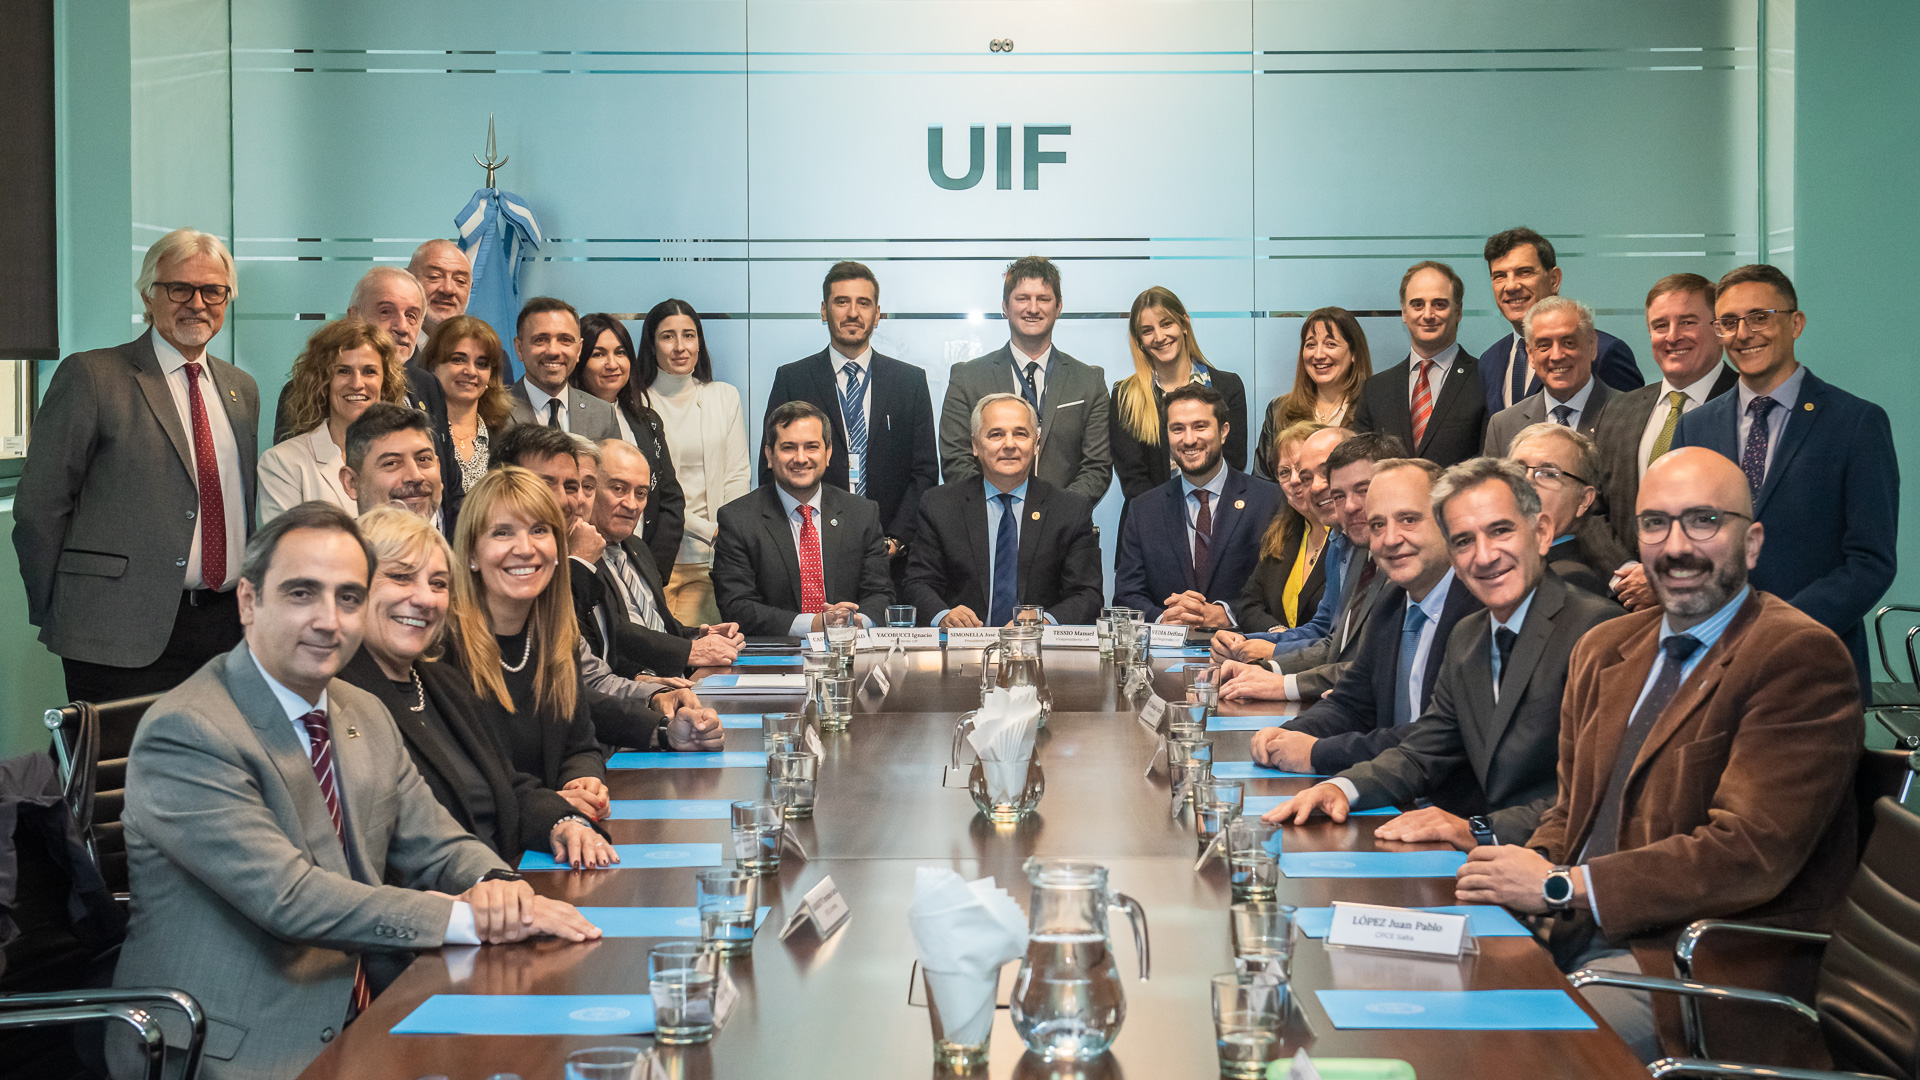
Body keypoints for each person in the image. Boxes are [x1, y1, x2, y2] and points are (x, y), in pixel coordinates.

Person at [110, 502, 599, 1080]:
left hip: (377, 1006)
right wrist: (469, 920)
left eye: (347, 598)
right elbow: (291, 898)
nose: (329, 620)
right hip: (240, 1046)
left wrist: (499, 887)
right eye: (301, 594)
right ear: (248, 601)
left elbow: (437, 842)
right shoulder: (189, 731)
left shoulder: (359, 708)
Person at [1458, 448, 1863, 1063]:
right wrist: (1525, 871)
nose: (1676, 546)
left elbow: (1747, 853)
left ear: (1751, 544)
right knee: (1415, 992)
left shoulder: (1797, 656)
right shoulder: (1606, 649)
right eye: (1655, 523)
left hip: (1701, 968)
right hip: (1576, 934)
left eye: (1703, 521)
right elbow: (1573, 812)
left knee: (1511, 1054)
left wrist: (1563, 887)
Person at [1264, 457, 1622, 847]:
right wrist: (1344, 789)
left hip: (1559, 872)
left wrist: (1477, 831)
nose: (1484, 556)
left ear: (1541, 533)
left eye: (1500, 531)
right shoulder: (1469, 635)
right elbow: (1425, 750)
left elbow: (1596, 793)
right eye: (1464, 540)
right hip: (1480, 859)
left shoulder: (1598, 632)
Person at [15, 228, 259, 704]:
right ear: (149, 295)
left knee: (211, 773)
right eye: (179, 289)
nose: (198, 303)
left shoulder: (241, 388)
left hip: (225, 631)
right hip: (114, 631)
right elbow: (39, 508)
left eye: (213, 291)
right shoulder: (92, 376)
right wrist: (65, 606)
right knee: (114, 773)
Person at [338, 507, 617, 868]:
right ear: (352, 589)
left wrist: (563, 822)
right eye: (402, 577)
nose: (425, 599)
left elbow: (509, 785)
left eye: (438, 583)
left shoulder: (441, 683)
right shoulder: (337, 697)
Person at [1672, 264, 1899, 699]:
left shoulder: (1856, 424)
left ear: (1795, 323)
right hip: (1710, 667)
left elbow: (1871, 561)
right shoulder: (1694, 428)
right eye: (1729, 322)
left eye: (1760, 316)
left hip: (1816, 664)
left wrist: (1774, 629)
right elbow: (1681, 539)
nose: (1744, 333)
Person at [1230, 460, 1485, 785]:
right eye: (1377, 525)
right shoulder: (1391, 603)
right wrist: (1287, 736)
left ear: (1449, 522)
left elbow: (1439, 739)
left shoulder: (1478, 610)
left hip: (1455, 812)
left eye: (1408, 520)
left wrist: (1318, 752)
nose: (1391, 539)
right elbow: (1352, 702)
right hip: (1393, 795)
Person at [488, 426, 727, 748]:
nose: (567, 500)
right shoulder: (565, 565)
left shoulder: (603, 556)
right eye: (546, 484)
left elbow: (588, 679)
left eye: (573, 486)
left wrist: (657, 706)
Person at [443, 468, 611, 816]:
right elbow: (467, 786)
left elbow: (581, 747)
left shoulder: (555, 638)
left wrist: (582, 781)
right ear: (472, 554)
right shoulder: (444, 650)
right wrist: (552, 806)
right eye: (502, 533)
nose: (525, 548)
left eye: (539, 530)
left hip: (554, 840)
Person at [760, 262, 938, 590]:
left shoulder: (909, 381)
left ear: (878, 313)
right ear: (824, 310)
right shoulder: (793, 378)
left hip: (891, 560)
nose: (853, 312)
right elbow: (771, 466)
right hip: (812, 551)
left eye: (863, 303)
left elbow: (924, 471)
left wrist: (896, 539)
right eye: (842, 302)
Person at [1587, 273, 1741, 602]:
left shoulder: (1748, 406)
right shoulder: (1618, 409)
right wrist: (1625, 574)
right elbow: (1591, 508)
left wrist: (1662, 579)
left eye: (1687, 322)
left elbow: (1749, 521)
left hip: (1718, 611)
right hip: (1625, 609)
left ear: (1718, 328)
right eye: (1660, 325)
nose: (1672, 336)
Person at [1211, 433, 1405, 687]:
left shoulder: (1391, 555)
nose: (1314, 487)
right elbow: (1327, 632)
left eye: (1362, 490)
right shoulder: (1344, 542)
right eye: (1306, 477)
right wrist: (1245, 644)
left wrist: (1276, 670)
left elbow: (1359, 659)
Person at [903, 393, 1103, 627]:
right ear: (975, 446)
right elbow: (917, 583)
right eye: (996, 434)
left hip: (1038, 651)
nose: (1009, 445)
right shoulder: (940, 505)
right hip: (964, 648)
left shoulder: (1070, 509)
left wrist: (1045, 621)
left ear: (1036, 444)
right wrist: (943, 615)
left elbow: (1087, 594)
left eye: (1020, 434)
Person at [713, 401, 893, 636]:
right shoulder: (738, 519)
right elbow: (736, 606)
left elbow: (881, 593)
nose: (800, 458)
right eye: (788, 447)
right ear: (769, 455)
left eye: (811, 447)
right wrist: (813, 624)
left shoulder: (862, 513)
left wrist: (858, 621)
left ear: (827, 454)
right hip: (774, 659)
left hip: (850, 649)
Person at [940, 256, 1111, 501]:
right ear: (1005, 307)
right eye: (1022, 298)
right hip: (989, 524)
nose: (1033, 308)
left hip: (1063, 530)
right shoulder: (966, 378)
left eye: (1043, 299)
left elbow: (1097, 467)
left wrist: (1057, 516)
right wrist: (1003, 507)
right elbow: (955, 459)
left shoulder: (1089, 381)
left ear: (1059, 307)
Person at [1113, 384, 1280, 626]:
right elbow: (1127, 594)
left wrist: (1229, 614)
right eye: (1177, 429)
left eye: (1200, 426)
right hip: (1166, 655)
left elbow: (1279, 588)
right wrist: (1162, 619)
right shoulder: (1144, 510)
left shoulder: (1268, 501)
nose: (1189, 440)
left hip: (1243, 651)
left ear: (1223, 432)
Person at [630, 298, 751, 627]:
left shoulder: (724, 396)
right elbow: (653, 493)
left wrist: (727, 536)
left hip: (713, 561)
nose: (680, 347)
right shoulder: (636, 404)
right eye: (668, 336)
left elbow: (738, 475)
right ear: (651, 345)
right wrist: (710, 530)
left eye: (689, 335)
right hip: (655, 557)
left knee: (705, 659)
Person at [590, 439, 744, 674]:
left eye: (641, 493)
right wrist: (689, 651)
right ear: (588, 487)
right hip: (631, 692)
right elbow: (612, 633)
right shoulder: (578, 557)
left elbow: (660, 628)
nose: (631, 504)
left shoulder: (637, 548)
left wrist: (700, 636)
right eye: (618, 489)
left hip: (678, 683)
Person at [271, 267, 447, 444]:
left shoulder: (429, 386)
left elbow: (446, 469)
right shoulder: (309, 390)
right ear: (354, 317)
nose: (402, 327)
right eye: (385, 312)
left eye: (411, 316)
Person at [257, 319, 408, 525]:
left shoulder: (408, 459)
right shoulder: (282, 463)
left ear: (386, 382)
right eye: (343, 371)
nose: (357, 384)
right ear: (323, 382)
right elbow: (285, 552)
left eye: (369, 371)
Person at [1477, 226, 1643, 414]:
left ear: (1554, 280)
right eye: (1499, 276)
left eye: (1524, 272)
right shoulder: (1489, 361)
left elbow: (1631, 429)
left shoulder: (1604, 352)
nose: (1511, 286)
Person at [1109, 286, 1249, 504]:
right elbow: (1133, 478)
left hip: (1217, 516)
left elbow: (1235, 463)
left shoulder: (1227, 387)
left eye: (1166, 324)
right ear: (1139, 341)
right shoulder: (1125, 396)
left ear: (1184, 323)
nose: (1159, 337)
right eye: (1147, 330)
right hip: (1150, 521)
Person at [573, 312, 687, 572]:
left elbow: (670, 498)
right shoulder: (567, 421)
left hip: (644, 565)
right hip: (587, 564)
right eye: (598, 354)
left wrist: (651, 568)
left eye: (621, 352)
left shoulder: (648, 421)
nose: (612, 364)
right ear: (580, 360)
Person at [1352, 261, 1487, 467]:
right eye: (1417, 304)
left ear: (1458, 311)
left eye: (1439, 304)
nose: (1427, 314)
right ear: (1404, 313)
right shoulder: (1376, 390)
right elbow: (1361, 467)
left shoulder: (1484, 379)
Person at [1482, 295, 1619, 455]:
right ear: (1530, 354)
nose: (1556, 356)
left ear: (1592, 346)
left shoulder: (1631, 416)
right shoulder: (1503, 426)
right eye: (1544, 345)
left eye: (1568, 343)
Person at [1236, 421, 1334, 632]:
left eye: (1302, 470)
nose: (1294, 480)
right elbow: (1248, 605)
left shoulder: (1347, 536)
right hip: (1277, 659)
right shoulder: (1281, 533)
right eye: (1284, 472)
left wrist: (1284, 645)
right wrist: (1276, 632)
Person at [418, 314, 513, 530]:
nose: (470, 371)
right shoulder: (417, 435)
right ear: (433, 366)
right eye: (458, 359)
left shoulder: (507, 437)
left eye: (482, 364)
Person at [1254, 307, 1372, 479]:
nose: (1318, 355)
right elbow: (1262, 483)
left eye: (1330, 344)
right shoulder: (1279, 410)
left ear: (1354, 353)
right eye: (1310, 345)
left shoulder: (1373, 408)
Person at [1506, 423, 1613, 596]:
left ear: (1584, 500)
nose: (1526, 482)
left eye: (1548, 474)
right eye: (1518, 470)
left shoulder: (1572, 580)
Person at [506, 296, 620, 439]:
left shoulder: (603, 415)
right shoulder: (494, 411)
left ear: (579, 350)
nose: (553, 351)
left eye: (565, 340)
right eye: (540, 340)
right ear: (519, 348)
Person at [340, 403, 444, 526]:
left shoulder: (460, 544)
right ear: (351, 482)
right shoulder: (331, 545)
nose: (415, 476)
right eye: (391, 463)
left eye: (423, 459)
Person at [408, 238, 473, 341]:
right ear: (409, 280)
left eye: (460, 281)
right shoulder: (382, 350)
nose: (448, 289)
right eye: (434, 277)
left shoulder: (487, 354)